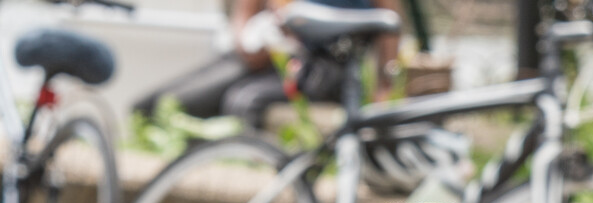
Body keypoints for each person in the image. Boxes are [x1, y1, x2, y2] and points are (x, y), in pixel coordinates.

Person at [132, 0, 401, 129]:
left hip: (325, 65)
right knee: (152, 105)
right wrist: (251, 42)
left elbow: (390, 22)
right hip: (265, 54)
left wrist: (384, 87)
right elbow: (245, 16)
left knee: (244, 101)